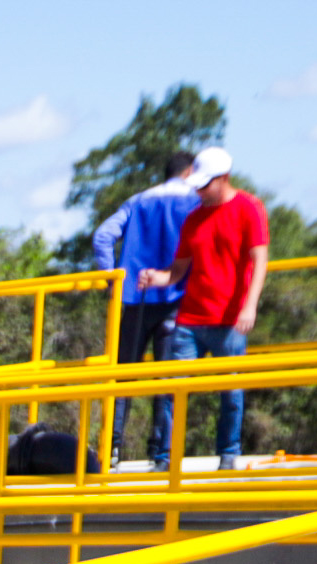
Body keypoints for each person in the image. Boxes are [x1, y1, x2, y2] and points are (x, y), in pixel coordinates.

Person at [95, 148, 225, 467]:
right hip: (178, 300)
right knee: (168, 379)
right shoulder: (196, 202)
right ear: (190, 172)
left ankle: (112, 448)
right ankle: (160, 453)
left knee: (122, 375)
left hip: (135, 299)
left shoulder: (138, 201)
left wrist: (113, 280)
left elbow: (103, 236)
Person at [159, 159, 273, 469]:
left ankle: (228, 455)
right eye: (196, 184)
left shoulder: (249, 207)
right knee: (172, 388)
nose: (199, 190)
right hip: (191, 318)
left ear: (224, 178)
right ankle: (165, 457)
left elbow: (260, 260)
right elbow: (178, 269)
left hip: (230, 319)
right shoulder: (194, 218)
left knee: (231, 393)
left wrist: (250, 305)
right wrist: (155, 277)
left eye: (205, 184)